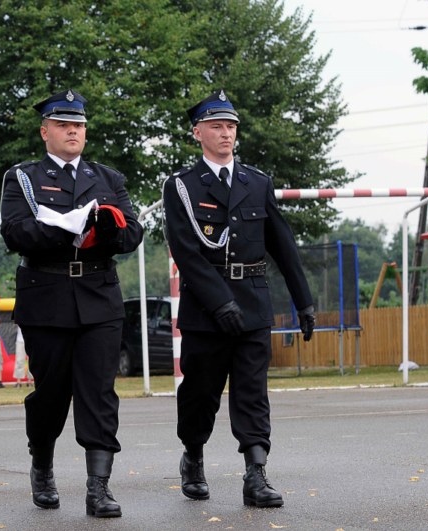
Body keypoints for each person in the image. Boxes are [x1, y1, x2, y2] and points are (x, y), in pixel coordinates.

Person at [162, 88, 315, 508]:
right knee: (200, 394)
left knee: (252, 393)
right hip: (205, 310)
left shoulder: (257, 182)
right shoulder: (181, 186)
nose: (226, 133)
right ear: (198, 133)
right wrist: (219, 302)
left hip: (252, 304)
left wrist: (303, 301)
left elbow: (282, 244)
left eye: (230, 126)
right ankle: (193, 456)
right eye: (216, 126)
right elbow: (186, 252)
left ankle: (256, 473)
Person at [0, 89, 144, 518]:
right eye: (63, 125)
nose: (73, 131)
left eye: (78, 125)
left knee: (99, 392)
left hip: (99, 295)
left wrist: (110, 230)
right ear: (45, 131)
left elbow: (133, 232)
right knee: (52, 393)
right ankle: (42, 463)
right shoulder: (23, 178)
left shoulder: (107, 178)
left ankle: (98, 486)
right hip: (47, 295)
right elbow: (15, 232)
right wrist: (67, 227)